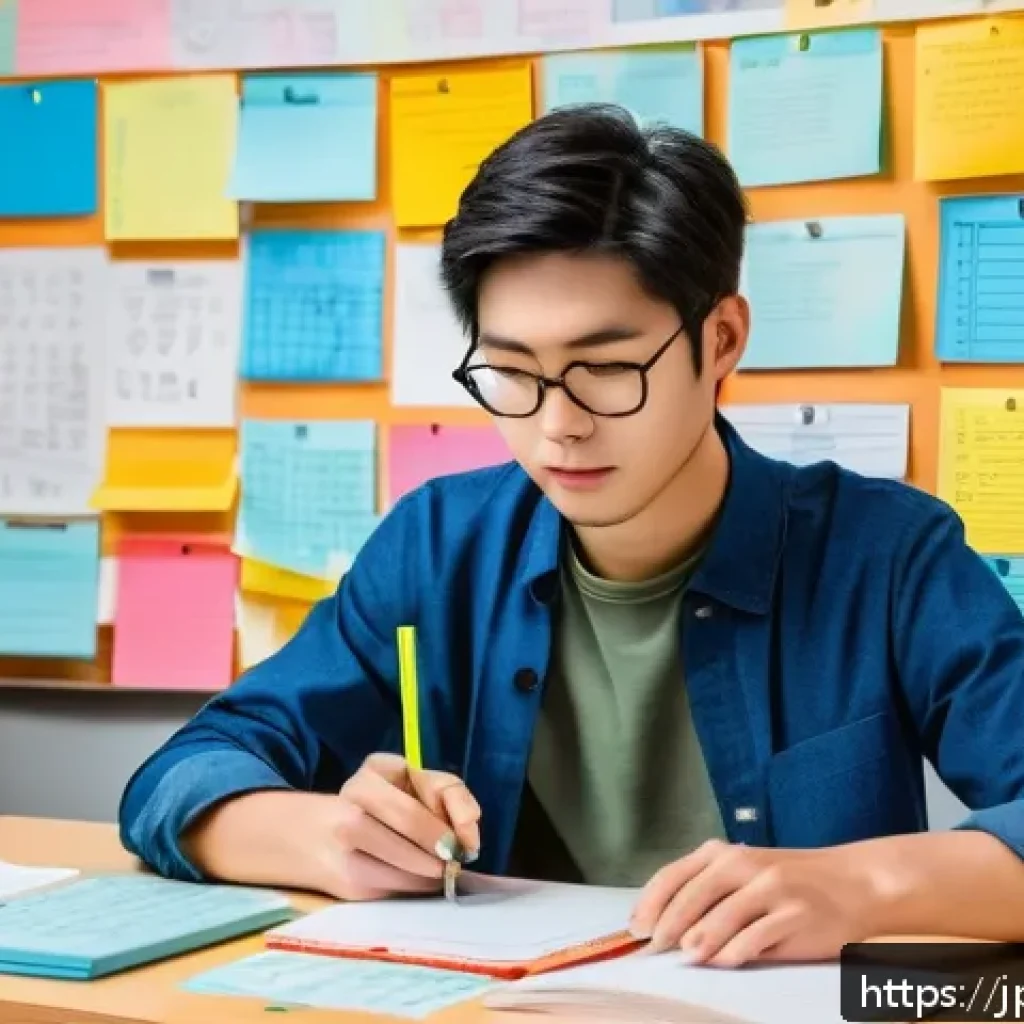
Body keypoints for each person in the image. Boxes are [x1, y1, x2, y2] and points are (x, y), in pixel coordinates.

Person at [119, 104, 1024, 968]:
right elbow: (181, 778)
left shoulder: (889, 557)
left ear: (721, 339)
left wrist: (867, 886)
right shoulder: (439, 546)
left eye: (606, 369)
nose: (558, 427)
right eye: (512, 374)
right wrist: (324, 837)